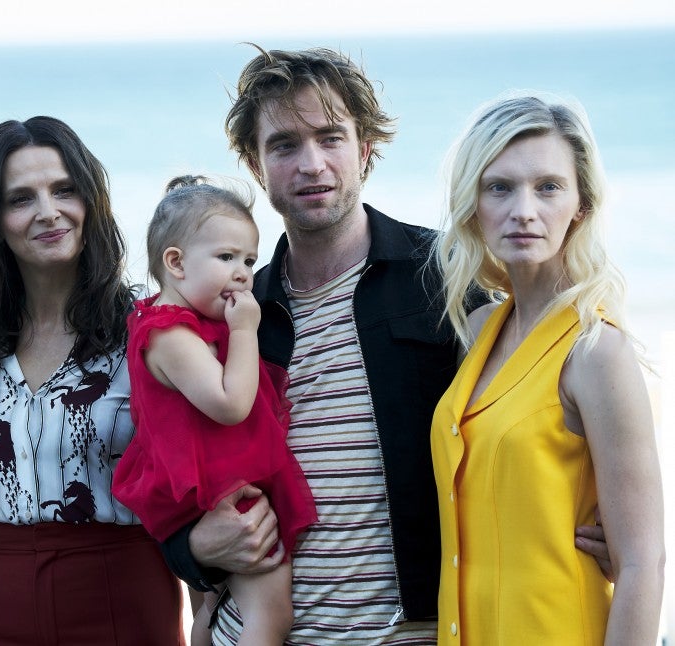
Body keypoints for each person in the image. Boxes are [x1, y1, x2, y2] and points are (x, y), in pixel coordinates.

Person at [160, 46, 613, 645]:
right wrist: (192, 549)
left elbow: (543, 414)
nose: (312, 164)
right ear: (255, 163)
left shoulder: (450, 279)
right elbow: (172, 460)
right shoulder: (231, 315)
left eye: (331, 138)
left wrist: (603, 520)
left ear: (366, 148)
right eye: (284, 145)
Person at [431, 94, 664, 644]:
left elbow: (642, 564)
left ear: (581, 205)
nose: (524, 210)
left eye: (549, 187)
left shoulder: (596, 351)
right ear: (473, 204)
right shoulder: (480, 329)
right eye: (499, 187)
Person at [0, 116, 185, 645]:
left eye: (64, 190)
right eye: (20, 199)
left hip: (122, 594)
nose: (48, 212)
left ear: (90, 201)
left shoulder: (148, 331)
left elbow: (196, 470)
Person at [111, 175, 318, 645]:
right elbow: (230, 404)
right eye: (226, 257)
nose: (243, 273)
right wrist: (245, 331)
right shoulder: (171, 334)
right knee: (271, 611)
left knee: (211, 606)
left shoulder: (183, 326)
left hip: (210, 489)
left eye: (249, 260)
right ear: (176, 263)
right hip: (218, 489)